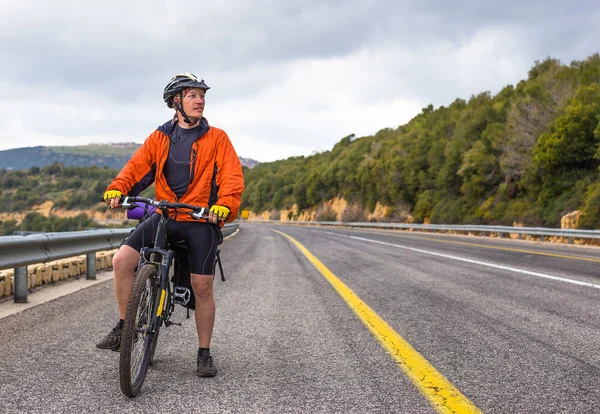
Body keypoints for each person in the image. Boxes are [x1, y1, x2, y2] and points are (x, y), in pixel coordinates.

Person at [96, 72, 245, 378]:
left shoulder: (217, 138)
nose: (200, 100)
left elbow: (231, 178)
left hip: (199, 220)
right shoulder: (161, 136)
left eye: (202, 95)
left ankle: (204, 352)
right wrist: (118, 188)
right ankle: (127, 328)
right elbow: (137, 166)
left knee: (202, 286)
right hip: (164, 215)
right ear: (175, 102)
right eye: (192, 95)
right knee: (121, 260)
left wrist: (224, 206)